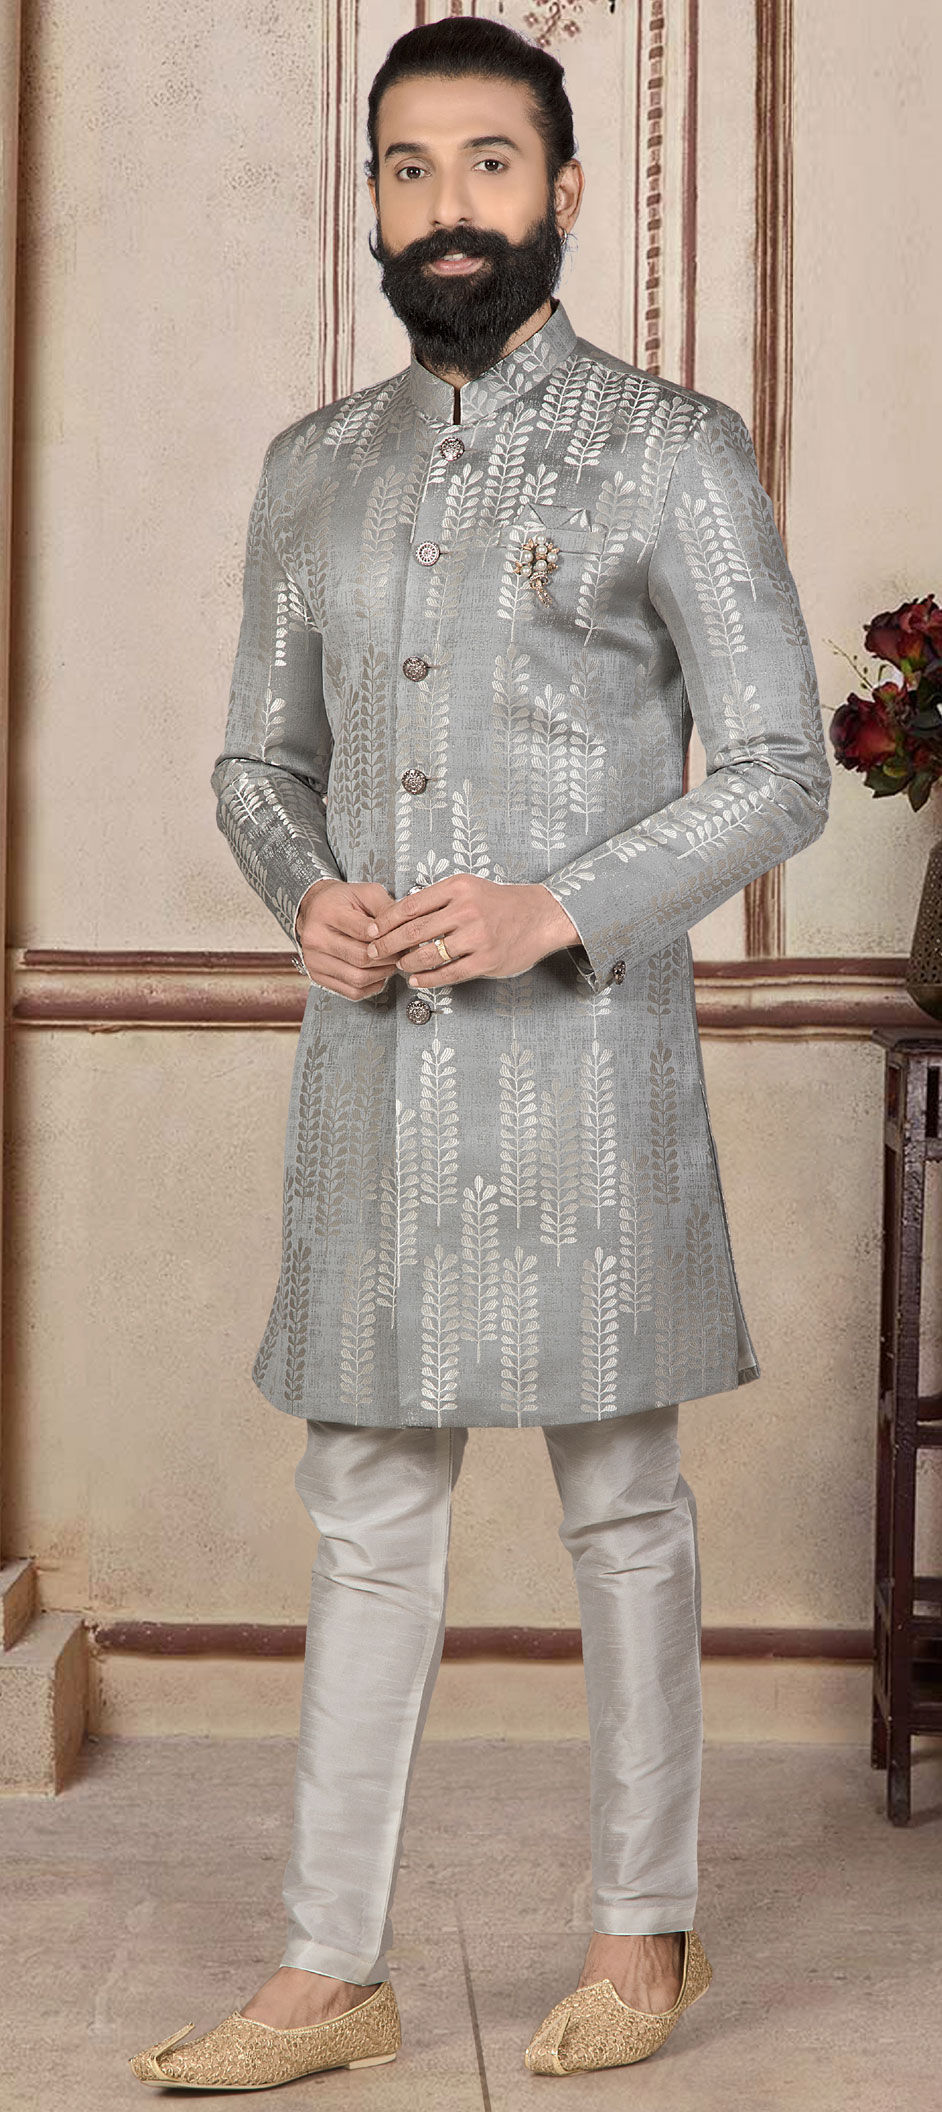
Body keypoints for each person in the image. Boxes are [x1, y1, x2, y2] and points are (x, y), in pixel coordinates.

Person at [129, 15, 830, 2092]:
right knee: (364, 1498)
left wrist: (559, 906)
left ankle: (644, 1928)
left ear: (564, 193)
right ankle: (323, 1969)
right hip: (375, 1067)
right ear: (372, 199)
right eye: (410, 168)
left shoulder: (670, 449)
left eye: (489, 165)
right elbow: (259, 765)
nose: (449, 207)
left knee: (621, 1498)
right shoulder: (313, 468)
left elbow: (780, 769)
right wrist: (307, 891)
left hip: (588, 1065)